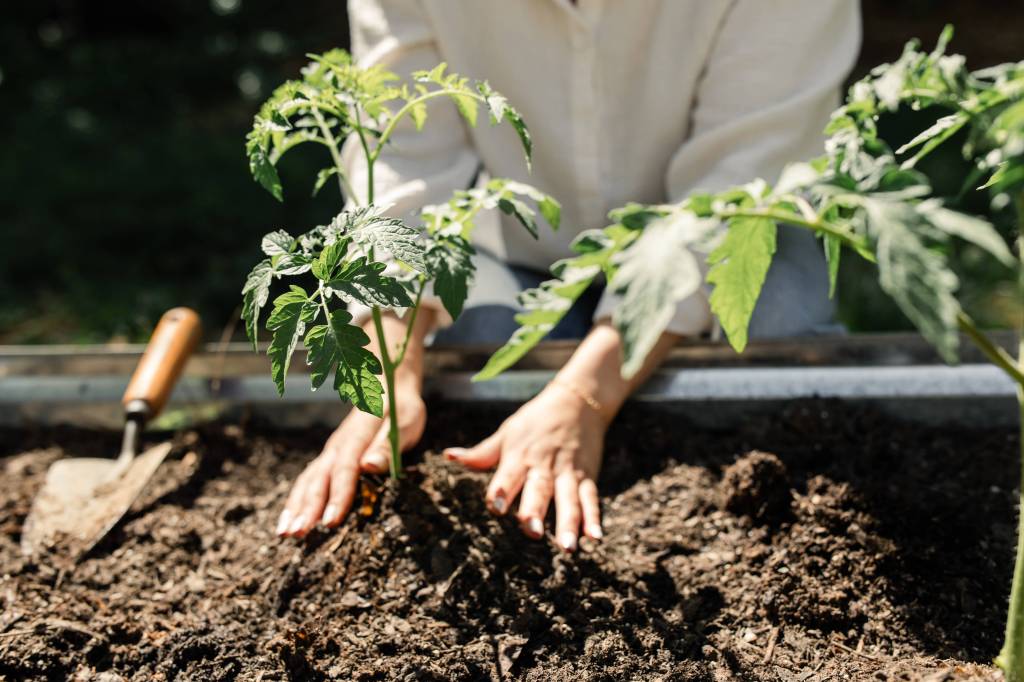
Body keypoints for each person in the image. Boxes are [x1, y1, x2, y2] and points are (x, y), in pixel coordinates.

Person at [275, 0, 861, 551]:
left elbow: (728, 197)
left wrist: (585, 399)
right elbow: (406, 167)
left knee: (777, 345)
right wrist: (392, 370)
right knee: (483, 354)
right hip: (527, 245)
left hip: (732, 233)